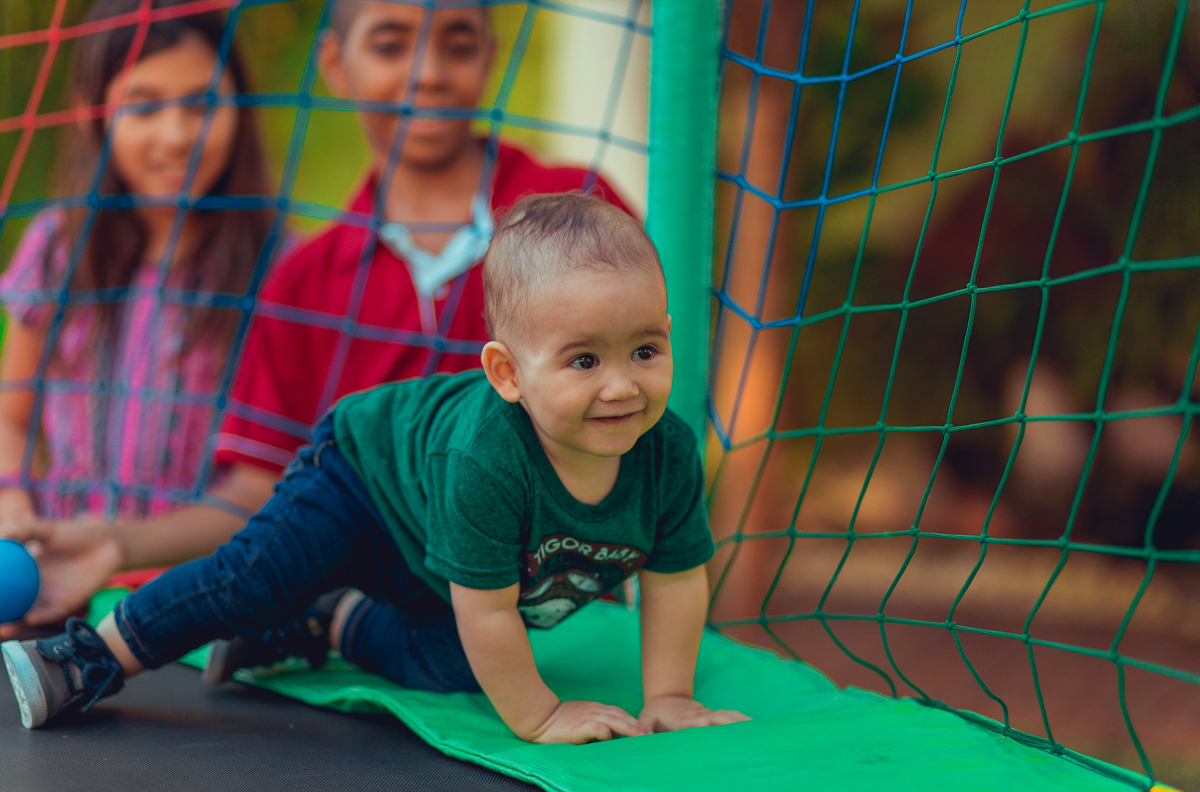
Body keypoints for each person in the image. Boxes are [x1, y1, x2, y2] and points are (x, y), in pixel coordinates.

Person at [2, 194, 750, 744]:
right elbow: (491, 609)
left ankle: (328, 620)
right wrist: (541, 714)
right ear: (508, 374)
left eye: (645, 351)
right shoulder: (488, 457)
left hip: (438, 546)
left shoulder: (669, 452)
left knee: (461, 662)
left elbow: (676, 576)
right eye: (584, 360)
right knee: (254, 575)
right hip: (361, 478)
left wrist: (671, 696)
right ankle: (87, 659)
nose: (622, 385)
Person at [0, 0, 633, 634]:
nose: (427, 73)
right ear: (334, 62)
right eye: (390, 45)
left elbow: (643, 391)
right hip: (377, 618)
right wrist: (91, 535)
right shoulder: (305, 284)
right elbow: (260, 492)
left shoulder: (573, 211)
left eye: (458, 43)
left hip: (568, 611)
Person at [0, 0, 282, 631]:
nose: (177, 135)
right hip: (55, 576)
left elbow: (257, 492)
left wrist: (118, 545)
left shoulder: (279, 271)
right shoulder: (56, 246)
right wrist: (11, 503)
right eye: (145, 105)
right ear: (93, 114)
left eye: (202, 104)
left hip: (201, 597)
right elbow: (12, 415)